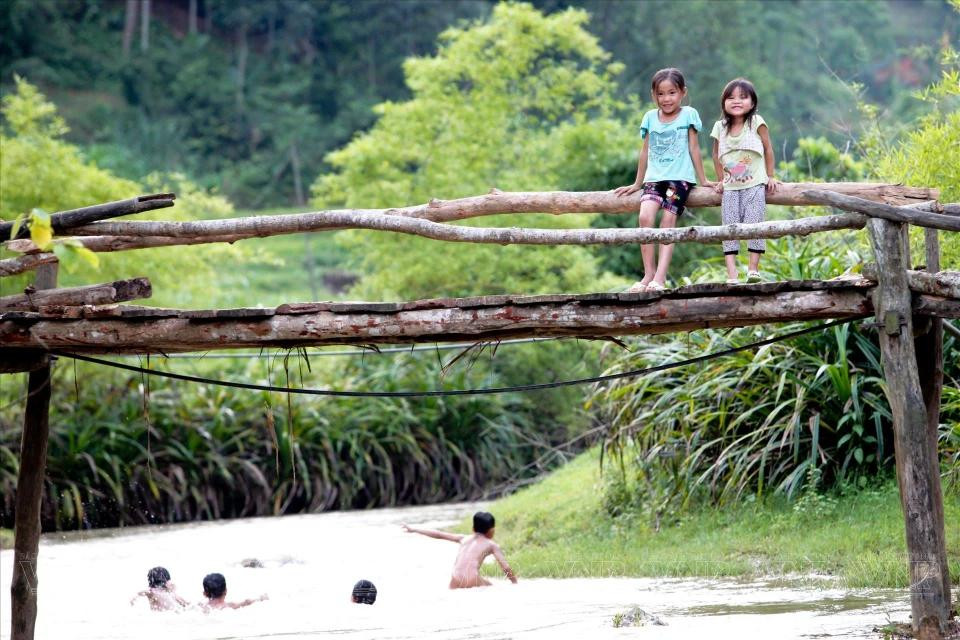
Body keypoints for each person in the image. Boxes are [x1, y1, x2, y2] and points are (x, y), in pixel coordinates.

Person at [614, 67, 712, 292]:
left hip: (679, 180)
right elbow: (645, 151)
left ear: (682, 93)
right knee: (645, 216)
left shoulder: (688, 114)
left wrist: (704, 179)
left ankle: (660, 277)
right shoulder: (649, 117)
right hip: (655, 179)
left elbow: (694, 148)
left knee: (668, 219)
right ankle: (648, 274)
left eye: (672, 93)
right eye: (661, 94)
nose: (666, 99)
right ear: (653, 95)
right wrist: (637, 183)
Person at [709, 77, 781, 283]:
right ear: (723, 102)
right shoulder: (719, 127)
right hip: (730, 187)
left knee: (754, 224)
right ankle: (732, 273)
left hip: (755, 184)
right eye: (730, 97)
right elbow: (715, 155)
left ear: (753, 102)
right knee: (729, 227)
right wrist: (720, 179)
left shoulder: (756, 122)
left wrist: (771, 175)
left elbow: (768, 148)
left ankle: (752, 269)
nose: (736, 101)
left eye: (743, 97)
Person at [402, 511, 517, 589]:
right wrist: (515, 583)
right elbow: (505, 567)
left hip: (455, 579)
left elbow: (438, 534)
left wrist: (414, 529)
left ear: (473, 529)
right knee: (492, 588)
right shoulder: (491, 545)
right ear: (491, 531)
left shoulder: (464, 538)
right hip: (472, 578)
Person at [201, 572, 268, 610]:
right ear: (226, 591)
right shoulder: (230, 606)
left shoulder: (200, 607)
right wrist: (261, 598)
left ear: (204, 593)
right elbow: (247, 602)